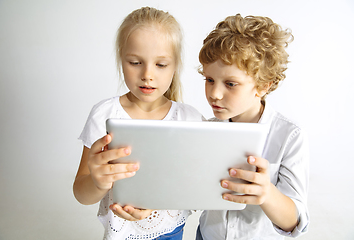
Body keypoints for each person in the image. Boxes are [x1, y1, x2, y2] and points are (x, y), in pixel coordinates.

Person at [73, 7, 203, 240]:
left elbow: (198, 186)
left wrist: (159, 200)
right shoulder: (104, 114)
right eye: (135, 62)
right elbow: (82, 194)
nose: (147, 74)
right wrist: (98, 181)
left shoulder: (190, 119)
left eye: (161, 65)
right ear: (121, 59)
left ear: (175, 66)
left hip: (171, 231)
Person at [196, 14, 310, 239]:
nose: (214, 94)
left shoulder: (289, 136)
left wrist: (266, 192)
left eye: (230, 84)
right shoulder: (204, 130)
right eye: (209, 80)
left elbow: (295, 222)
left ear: (263, 86)